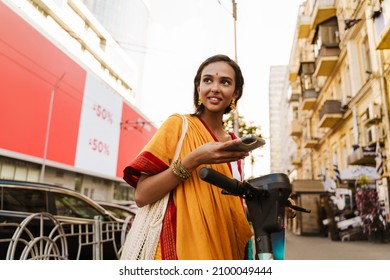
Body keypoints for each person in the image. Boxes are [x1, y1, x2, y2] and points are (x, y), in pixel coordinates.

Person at [123, 54, 293, 260]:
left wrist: (272, 206)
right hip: (178, 251)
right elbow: (142, 196)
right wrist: (194, 159)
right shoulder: (178, 125)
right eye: (207, 80)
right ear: (198, 88)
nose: (215, 87)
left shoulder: (233, 146)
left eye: (225, 82)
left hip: (227, 252)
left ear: (235, 93)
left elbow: (231, 210)